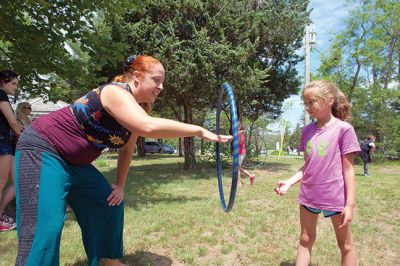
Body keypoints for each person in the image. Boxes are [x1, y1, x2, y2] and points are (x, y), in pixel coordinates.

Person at [14, 55, 232, 266]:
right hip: (43, 150)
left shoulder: (136, 110)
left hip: (77, 165)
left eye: (162, 82)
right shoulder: (114, 92)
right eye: (156, 80)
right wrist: (199, 130)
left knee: (109, 202)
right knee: (46, 227)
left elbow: (126, 150)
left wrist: (119, 185)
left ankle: (111, 260)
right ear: (137, 76)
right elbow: (147, 126)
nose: (161, 87)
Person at [274, 80, 360, 266]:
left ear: (329, 100)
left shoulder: (344, 130)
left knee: (345, 246)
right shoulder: (307, 131)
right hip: (309, 196)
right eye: (305, 103)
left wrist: (350, 205)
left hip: (335, 198)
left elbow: (348, 169)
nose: (307, 107)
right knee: (305, 239)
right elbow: (308, 165)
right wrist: (289, 182)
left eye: (311, 102)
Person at [0, 70, 20, 232]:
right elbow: (12, 120)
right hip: (2, 144)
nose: (16, 87)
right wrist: (23, 135)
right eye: (13, 83)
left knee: (16, 181)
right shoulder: (0, 95)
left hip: (6, 144)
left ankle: (0, 214)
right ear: (2, 82)